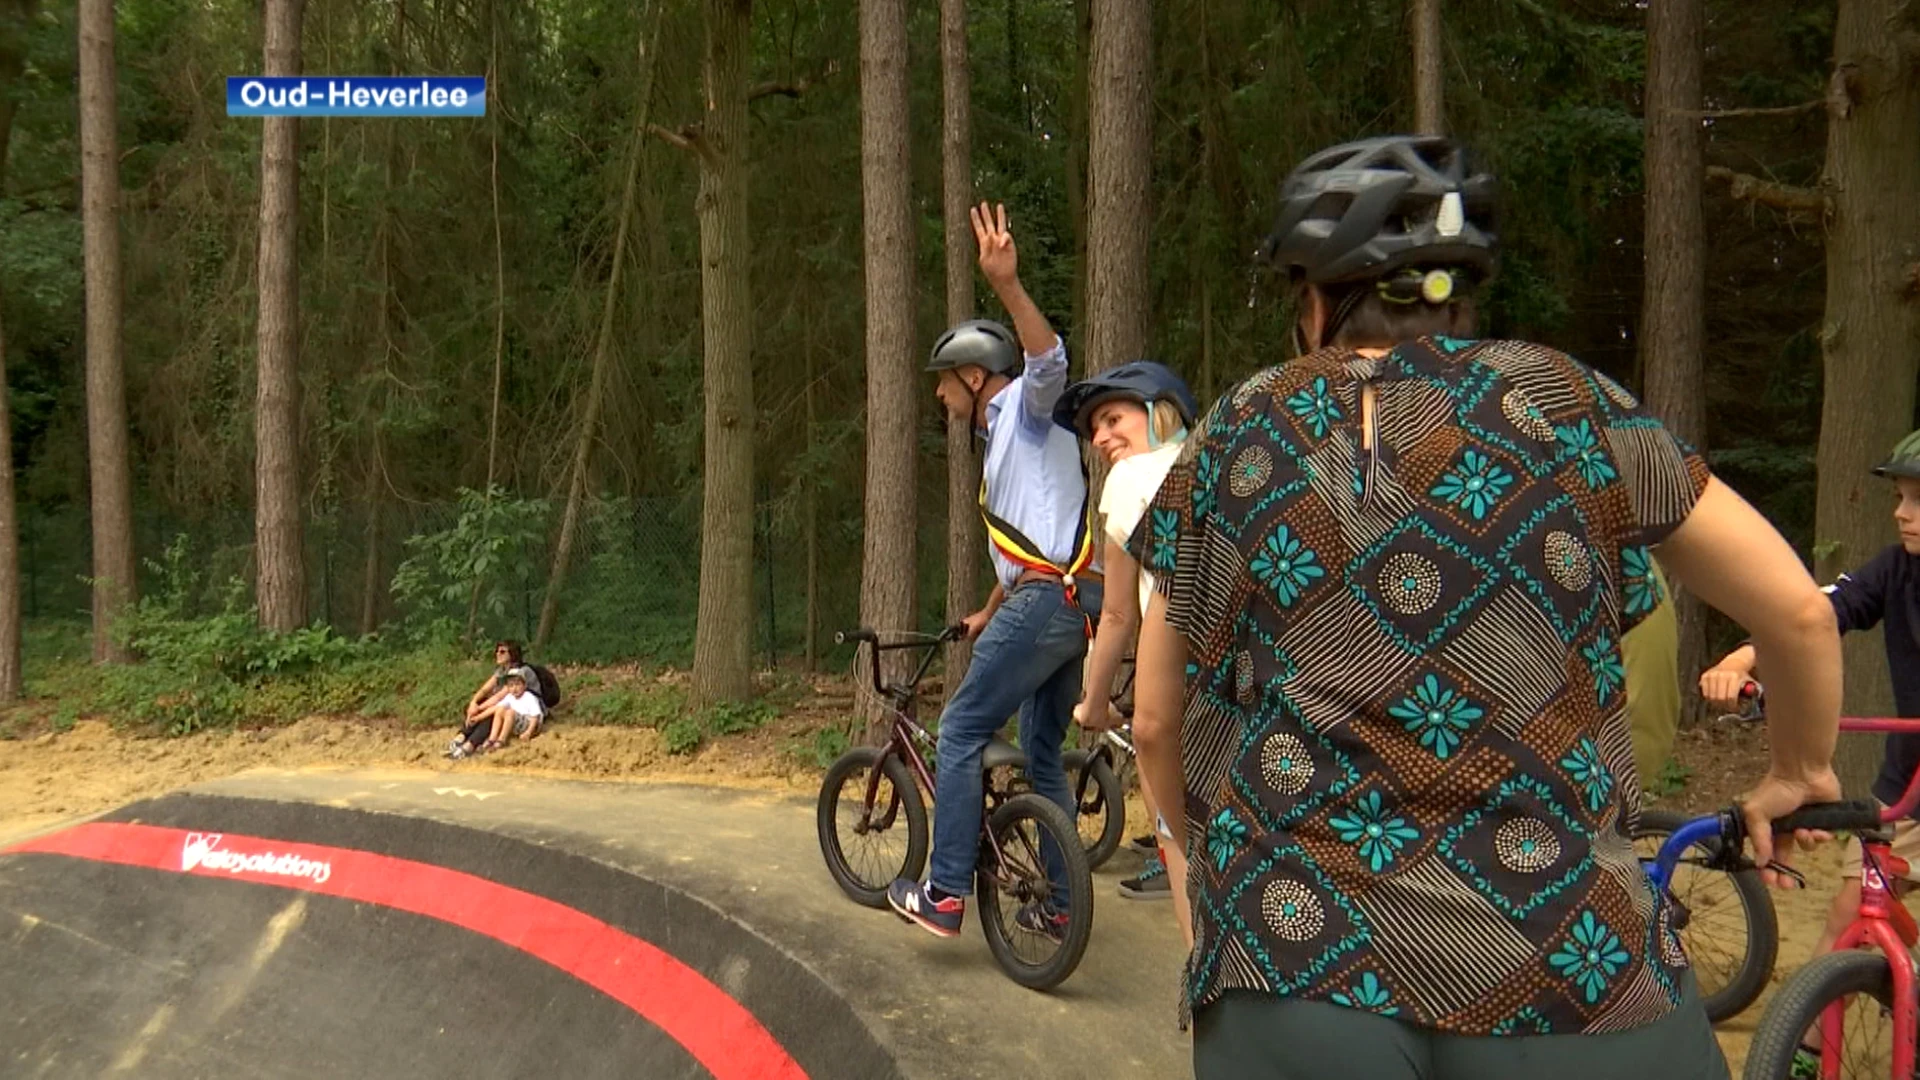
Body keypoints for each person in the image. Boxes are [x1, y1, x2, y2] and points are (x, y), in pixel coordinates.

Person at [1126, 134, 1841, 1079]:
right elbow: (1797, 613)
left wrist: (1200, 870)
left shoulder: (1240, 426)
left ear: (1318, 298)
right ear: (1460, 296)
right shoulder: (1570, 401)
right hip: (1570, 962)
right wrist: (1799, 767)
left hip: (1294, 953)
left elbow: (1154, 719)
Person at [886, 202, 1104, 941]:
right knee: (1043, 757)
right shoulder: (1006, 448)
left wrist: (1007, 286)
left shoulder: (1023, 410)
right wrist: (988, 609)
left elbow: (1050, 363)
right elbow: (1031, 547)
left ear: (976, 375)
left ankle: (944, 893)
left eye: (945, 383)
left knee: (960, 727)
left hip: (1050, 604)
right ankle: (1061, 903)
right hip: (1068, 602)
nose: (940, 397)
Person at [1700, 428, 1920, 1018]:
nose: (1902, 513)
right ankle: (1806, 1050)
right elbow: (1817, 611)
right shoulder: (1896, 570)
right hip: (1907, 790)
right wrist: (1743, 657)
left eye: (1918, 500)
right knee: (1849, 916)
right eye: (1900, 497)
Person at [1054, 362, 1200, 917]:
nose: (1100, 437)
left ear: (1159, 412)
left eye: (1113, 418)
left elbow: (1117, 615)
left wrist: (1093, 703)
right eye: (1094, 429)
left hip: (1178, 694)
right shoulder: (1215, 464)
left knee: (1181, 846)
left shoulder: (1129, 480)